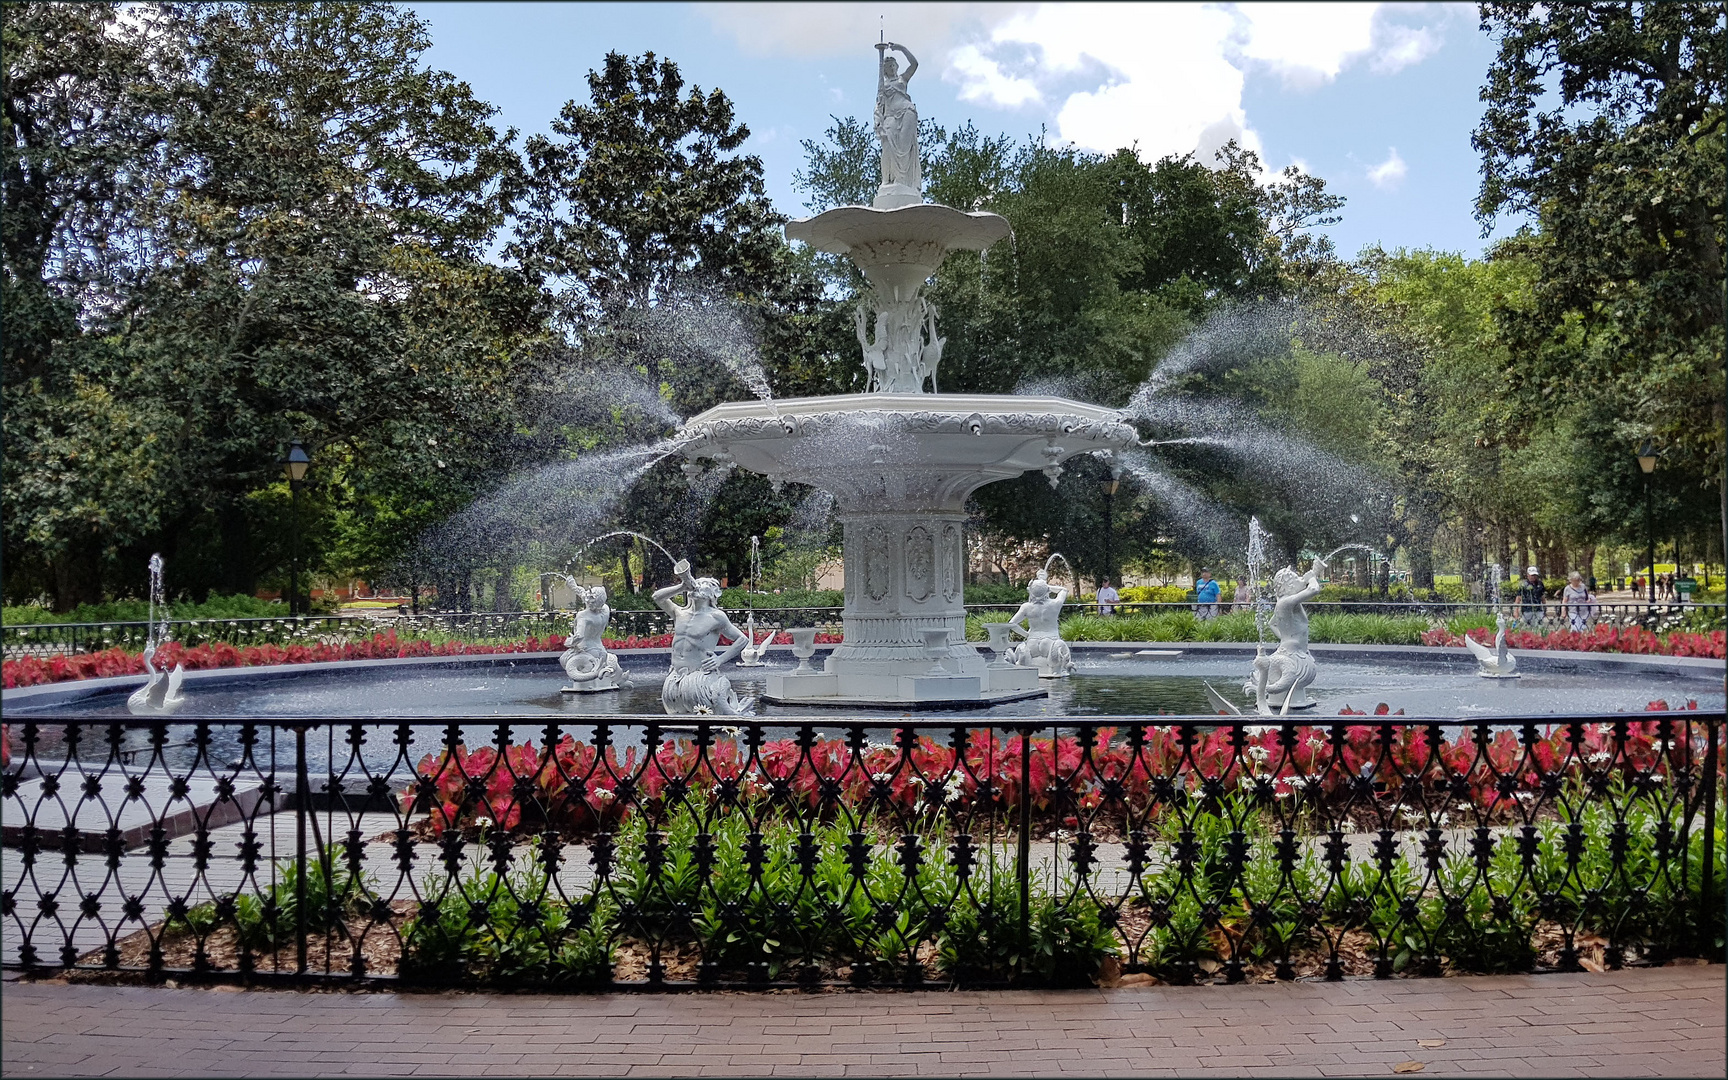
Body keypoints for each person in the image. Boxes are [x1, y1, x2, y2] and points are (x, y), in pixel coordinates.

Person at [654, 559, 754, 715]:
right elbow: (657, 597)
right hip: (674, 677)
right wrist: (682, 586)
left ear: (713, 594)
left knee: (705, 724)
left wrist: (720, 659)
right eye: (697, 583)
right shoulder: (679, 612)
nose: (698, 585)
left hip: (699, 678)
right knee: (677, 726)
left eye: (704, 584)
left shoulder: (716, 616)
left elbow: (743, 639)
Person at [1249, 556, 1326, 714]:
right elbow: (1313, 590)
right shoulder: (1285, 603)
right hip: (1292, 658)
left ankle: (1285, 697)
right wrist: (1311, 578)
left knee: (1293, 681)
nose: (1299, 579)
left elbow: (1271, 623)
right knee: (1292, 680)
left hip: (1293, 652)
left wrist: (1286, 638)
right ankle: (1280, 699)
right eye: (1295, 578)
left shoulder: (1286, 602)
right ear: (1287, 585)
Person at [873, 42, 920, 202]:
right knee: (887, 146)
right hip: (891, 117)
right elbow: (878, 105)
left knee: (905, 147)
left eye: (893, 65)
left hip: (907, 112)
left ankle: (904, 181)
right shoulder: (882, 85)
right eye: (888, 66)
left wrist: (902, 48)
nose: (891, 68)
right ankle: (887, 179)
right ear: (884, 70)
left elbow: (915, 64)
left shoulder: (903, 79)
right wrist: (878, 122)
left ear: (897, 66)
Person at [1005, 570, 1073, 676]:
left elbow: (1011, 624)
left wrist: (1026, 635)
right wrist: (1046, 586)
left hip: (1032, 643)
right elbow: (1063, 590)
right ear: (1047, 591)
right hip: (1051, 642)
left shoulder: (1026, 607)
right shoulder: (1055, 604)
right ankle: (1058, 670)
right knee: (1060, 648)